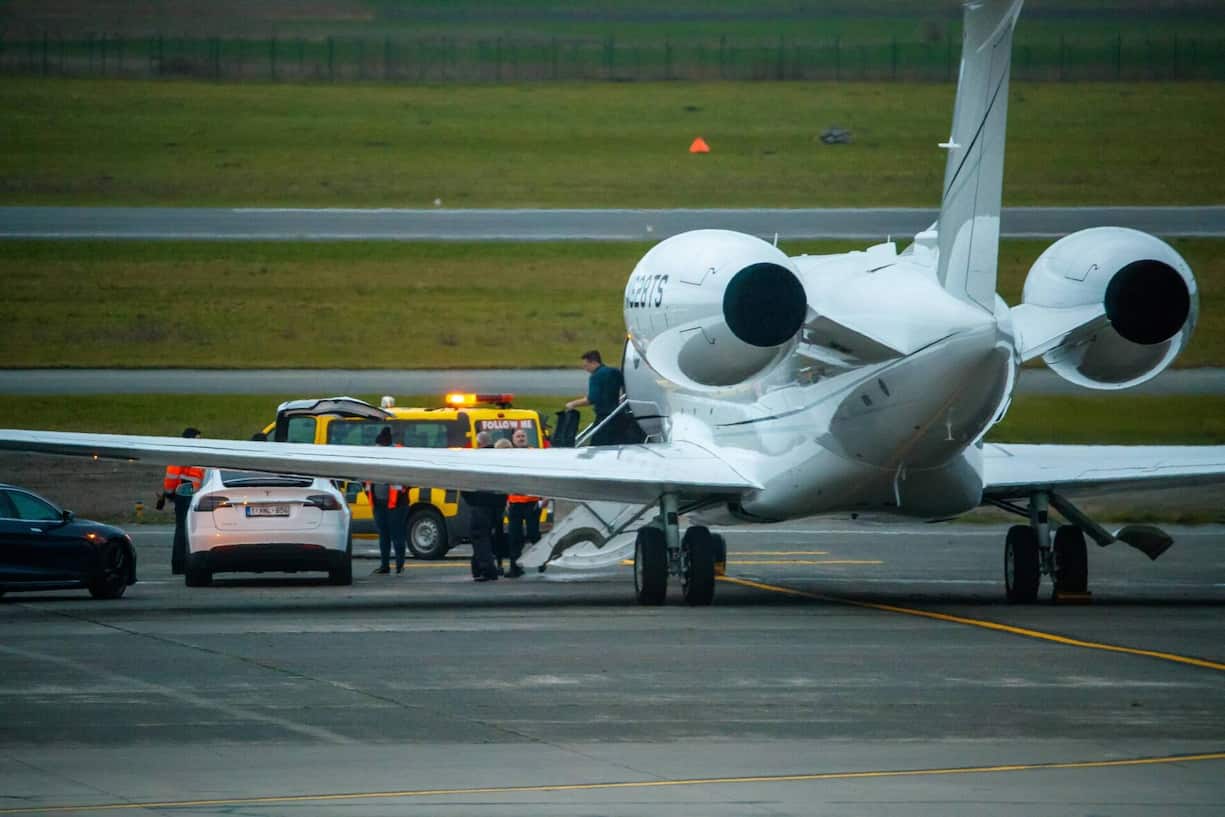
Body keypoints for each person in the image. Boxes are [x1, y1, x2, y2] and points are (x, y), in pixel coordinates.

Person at [159, 427, 205, 575]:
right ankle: (179, 564)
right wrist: (169, 493)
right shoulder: (182, 453)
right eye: (197, 439)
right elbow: (172, 475)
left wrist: (169, 493)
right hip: (185, 493)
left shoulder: (193, 453)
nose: (200, 442)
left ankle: (181, 564)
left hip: (190, 493)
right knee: (183, 529)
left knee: (185, 529)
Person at [364, 426, 408, 575]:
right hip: (379, 503)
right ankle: (385, 565)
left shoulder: (399, 454)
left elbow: (409, 478)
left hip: (397, 504)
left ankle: (399, 565)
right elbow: (366, 480)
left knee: (397, 535)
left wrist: (403, 490)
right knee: (384, 536)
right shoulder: (373, 456)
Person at [462, 431, 505, 582]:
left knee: (479, 537)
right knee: (486, 537)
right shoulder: (500, 458)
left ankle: (487, 570)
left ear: (479, 443)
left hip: (480, 503)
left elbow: (466, 483)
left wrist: (470, 500)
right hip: (497, 505)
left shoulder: (476, 459)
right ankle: (478, 569)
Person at [565, 349, 624, 445]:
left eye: (586, 365)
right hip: (618, 414)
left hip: (604, 416)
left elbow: (592, 399)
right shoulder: (615, 372)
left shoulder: (596, 376)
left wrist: (572, 404)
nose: (585, 368)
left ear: (593, 362)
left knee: (597, 444)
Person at [504, 427, 541, 578]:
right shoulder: (509, 455)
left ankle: (542, 559)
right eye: (518, 436)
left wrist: (545, 497)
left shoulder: (534, 453)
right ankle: (515, 567)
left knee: (533, 534)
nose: (520, 438)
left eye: (523, 436)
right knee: (514, 536)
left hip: (532, 501)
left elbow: (542, 475)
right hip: (515, 502)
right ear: (513, 439)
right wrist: (506, 500)